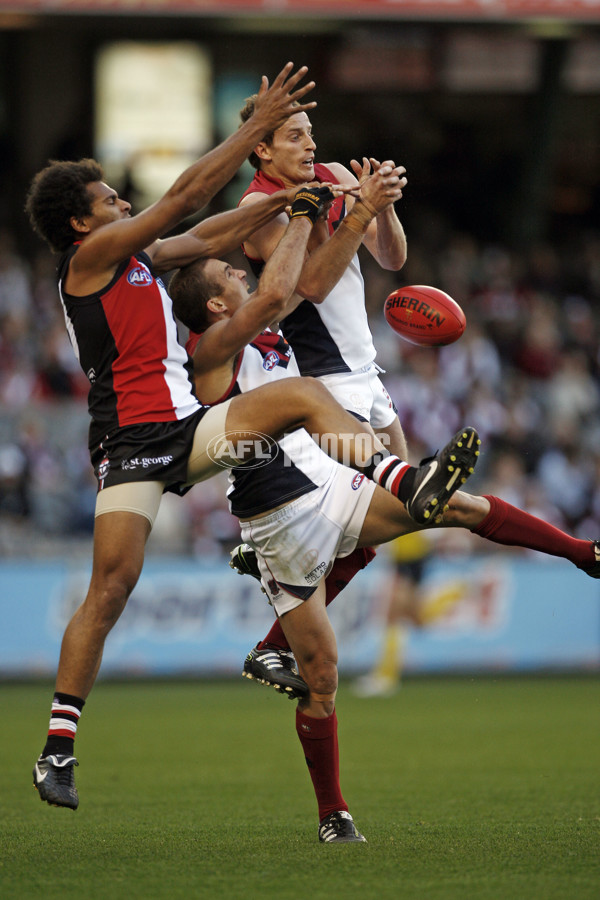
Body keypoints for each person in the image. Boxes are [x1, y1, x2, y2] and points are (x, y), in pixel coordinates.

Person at [25, 65, 478, 814]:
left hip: (188, 429)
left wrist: (296, 205)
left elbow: (208, 230)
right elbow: (183, 201)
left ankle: (397, 482)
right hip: (131, 444)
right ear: (80, 223)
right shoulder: (90, 260)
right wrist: (252, 127)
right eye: (109, 199)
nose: (124, 202)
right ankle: (58, 748)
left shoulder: (139, 257)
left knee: (296, 397)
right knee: (111, 586)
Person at [169, 243, 600, 841]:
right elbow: (277, 289)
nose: (241, 271)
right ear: (216, 303)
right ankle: (332, 815)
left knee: (456, 507)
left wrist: (364, 215)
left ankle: (584, 554)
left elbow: (305, 285)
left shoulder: (269, 333)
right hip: (277, 514)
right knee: (321, 676)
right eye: (227, 273)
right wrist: (315, 213)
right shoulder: (210, 349)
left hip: (326, 478)